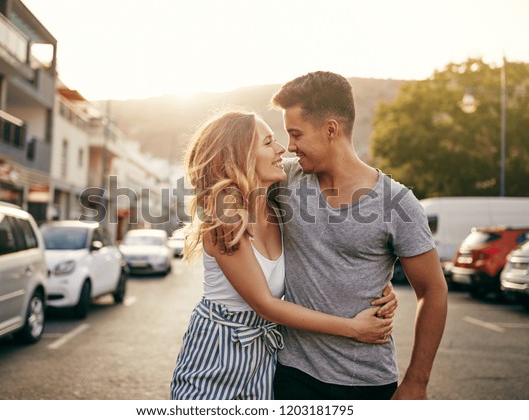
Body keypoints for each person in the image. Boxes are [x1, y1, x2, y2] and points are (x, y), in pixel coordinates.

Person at [170, 111, 398, 400]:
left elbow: (323, 257)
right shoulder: (225, 216)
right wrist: (354, 329)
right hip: (217, 350)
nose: (281, 149)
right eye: (268, 142)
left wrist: (374, 288)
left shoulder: (278, 209)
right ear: (240, 156)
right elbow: (265, 304)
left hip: (263, 358)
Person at [261, 71, 448, 400]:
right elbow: (227, 174)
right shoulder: (283, 179)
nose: (290, 146)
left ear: (331, 129)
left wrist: (417, 382)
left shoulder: (397, 203)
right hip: (293, 375)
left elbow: (433, 291)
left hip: (368, 381)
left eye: (296, 134)